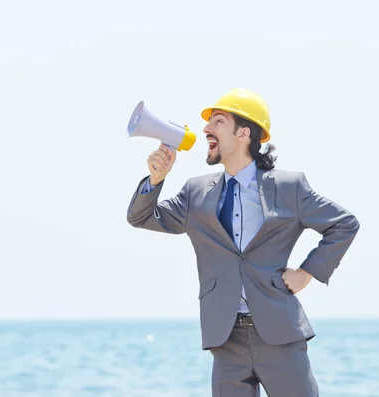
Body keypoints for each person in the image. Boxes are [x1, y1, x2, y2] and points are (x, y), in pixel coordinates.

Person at [126, 88, 360, 397]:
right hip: (226, 338)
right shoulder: (196, 193)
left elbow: (344, 224)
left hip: (280, 334)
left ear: (243, 133)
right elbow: (142, 217)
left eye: (218, 121)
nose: (207, 129)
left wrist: (308, 272)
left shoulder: (289, 187)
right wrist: (156, 179)